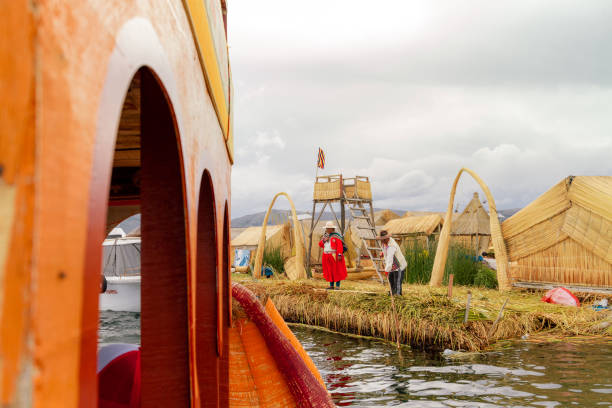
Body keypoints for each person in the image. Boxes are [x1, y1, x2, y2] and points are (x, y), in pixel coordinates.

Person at [318, 221, 347, 290]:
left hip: (334, 255)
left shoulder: (336, 236)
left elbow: (340, 246)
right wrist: (324, 240)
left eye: (328, 228)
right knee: (329, 270)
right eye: (326, 228)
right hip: (326, 255)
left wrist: (339, 254)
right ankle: (331, 285)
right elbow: (320, 244)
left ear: (332, 229)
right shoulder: (325, 236)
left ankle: (337, 286)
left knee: (336, 270)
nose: (327, 230)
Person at [378, 230, 407, 296]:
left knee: (397, 281)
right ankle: (392, 292)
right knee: (391, 279)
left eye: (384, 240)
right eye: (382, 240)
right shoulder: (384, 243)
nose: (382, 241)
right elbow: (386, 250)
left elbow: (390, 259)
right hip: (392, 265)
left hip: (399, 265)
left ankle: (398, 294)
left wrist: (386, 270)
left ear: (387, 239)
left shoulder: (392, 246)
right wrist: (383, 253)